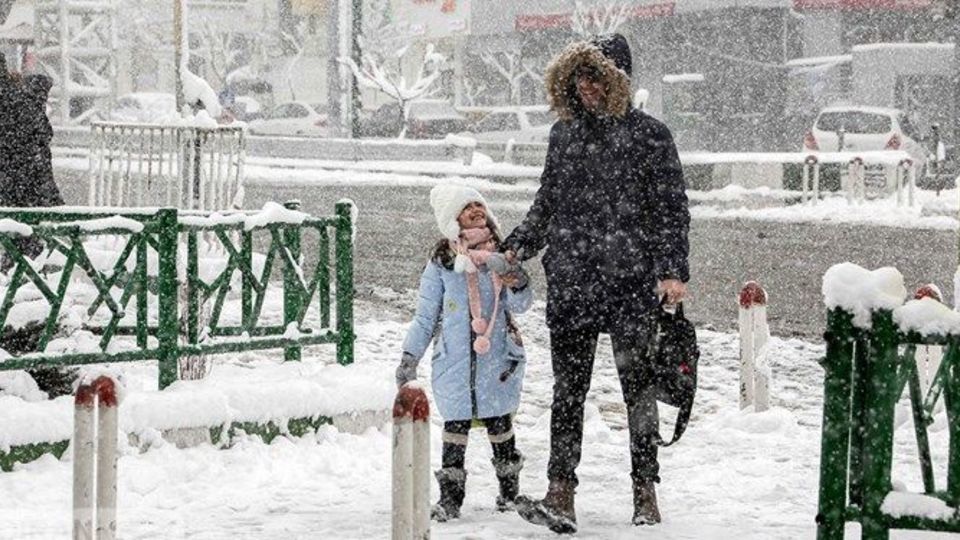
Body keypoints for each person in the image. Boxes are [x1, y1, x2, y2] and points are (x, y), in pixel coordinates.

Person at [503, 34, 691, 533]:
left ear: (617, 82)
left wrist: (673, 270)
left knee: (638, 390)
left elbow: (672, 209)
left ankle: (645, 490)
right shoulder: (563, 136)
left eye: (595, 78)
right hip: (573, 282)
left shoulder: (651, 135)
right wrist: (518, 246)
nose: (586, 87)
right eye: (578, 78)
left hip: (631, 283)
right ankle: (560, 490)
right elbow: (547, 204)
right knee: (568, 390)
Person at [396, 184, 532, 522]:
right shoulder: (442, 263)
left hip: (497, 357)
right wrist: (410, 356)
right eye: (466, 206)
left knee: (500, 423)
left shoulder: (502, 254)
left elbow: (522, 304)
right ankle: (451, 498)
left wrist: (516, 279)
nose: (475, 210)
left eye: (478, 204)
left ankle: (509, 492)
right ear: (451, 218)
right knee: (454, 428)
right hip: (455, 361)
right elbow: (426, 316)